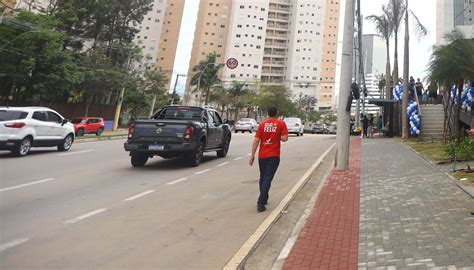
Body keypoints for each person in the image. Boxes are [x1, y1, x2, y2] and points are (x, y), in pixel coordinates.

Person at [249, 106, 288, 212]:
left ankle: (264, 198)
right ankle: (261, 202)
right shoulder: (281, 124)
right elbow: (284, 139)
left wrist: (252, 155)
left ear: (268, 113)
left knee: (263, 177)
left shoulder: (262, 125)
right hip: (274, 155)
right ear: (277, 113)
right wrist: (277, 136)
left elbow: (256, 140)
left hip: (262, 156)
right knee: (268, 178)